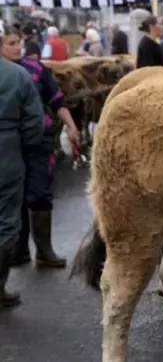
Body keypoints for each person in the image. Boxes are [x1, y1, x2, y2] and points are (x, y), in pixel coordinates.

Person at [2, 30, 80, 270]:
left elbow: (56, 100)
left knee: (39, 193)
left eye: (20, 42)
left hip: (38, 141)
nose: (18, 47)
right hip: (12, 144)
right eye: (12, 43)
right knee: (15, 197)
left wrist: (72, 126)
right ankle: (18, 250)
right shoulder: (10, 74)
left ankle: (45, 251)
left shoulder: (36, 69)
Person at [0, 31, 46, 307]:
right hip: (7, 150)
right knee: (6, 219)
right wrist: (22, 146)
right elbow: (34, 122)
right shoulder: (17, 75)